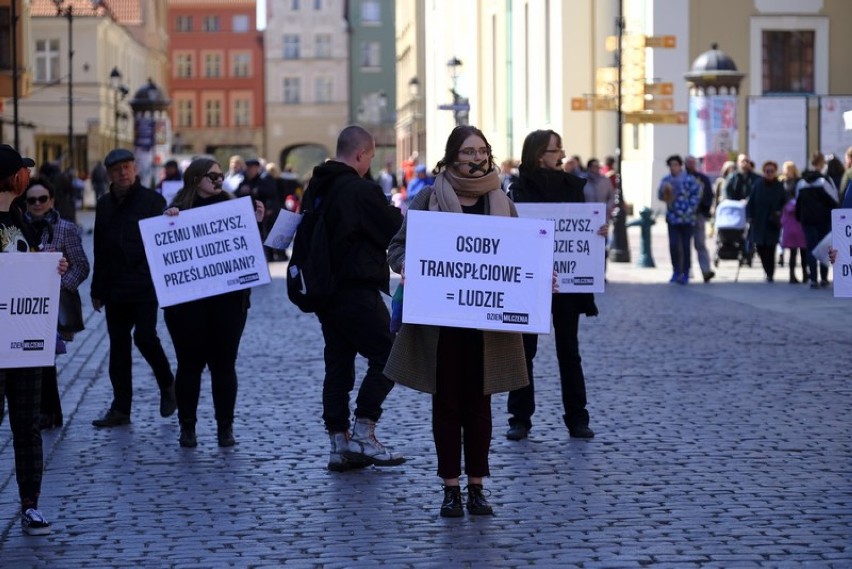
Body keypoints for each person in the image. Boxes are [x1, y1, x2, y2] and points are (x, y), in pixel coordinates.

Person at [384, 125, 529, 518]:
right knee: (447, 405)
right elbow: (397, 246)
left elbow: (520, 253)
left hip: (488, 324)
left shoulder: (501, 198)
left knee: (480, 407)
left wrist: (537, 277)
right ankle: (451, 488)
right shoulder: (429, 198)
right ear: (452, 155)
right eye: (467, 151)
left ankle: (478, 486)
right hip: (440, 322)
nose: (475, 157)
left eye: (481, 150)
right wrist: (406, 266)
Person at [301, 125, 405, 472]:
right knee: (391, 355)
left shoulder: (316, 188)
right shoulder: (360, 190)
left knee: (338, 365)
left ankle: (339, 442)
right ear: (361, 154)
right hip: (355, 288)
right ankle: (364, 431)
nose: (369, 163)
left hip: (324, 293)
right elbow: (394, 228)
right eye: (370, 156)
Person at [504, 129, 607, 445]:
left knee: (569, 350)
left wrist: (596, 232)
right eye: (556, 149)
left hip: (567, 282)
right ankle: (520, 419)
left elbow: (580, 228)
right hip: (531, 281)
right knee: (524, 350)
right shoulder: (518, 190)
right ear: (539, 155)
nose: (562, 154)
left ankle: (577, 418)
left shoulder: (573, 186)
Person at [162, 158, 265, 448]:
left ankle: (225, 428)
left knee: (224, 365)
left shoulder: (235, 207)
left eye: (221, 176)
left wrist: (257, 224)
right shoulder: (178, 211)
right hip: (187, 305)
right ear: (195, 179)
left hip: (229, 302)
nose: (220, 181)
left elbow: (251, 251)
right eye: (213, 176)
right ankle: (188, 428)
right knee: (189, 365)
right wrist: (168, 221)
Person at [0, 143, 69, 535]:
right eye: (23, 172)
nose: (28, 176)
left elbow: (29, 263)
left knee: (26, 426)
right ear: (12, 178)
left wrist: (51, 266)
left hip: (23, 340)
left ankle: (30, 504)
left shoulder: (19, 216)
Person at [90, 148, 176, 427]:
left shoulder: (153, 201)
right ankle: (121, 408)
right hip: (115, 287)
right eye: (117, 170)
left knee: (145, 337)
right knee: (118, 348)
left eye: (127, 167)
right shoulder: (103, 204)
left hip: (144, 285)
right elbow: (99, 248)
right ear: (109, 174)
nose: (123, 173)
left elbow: (167, 241)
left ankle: (167, 383)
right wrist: (97, 289)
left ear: (135, 169)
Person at [23, 176, 90, 429]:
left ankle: (48, 413)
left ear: (51, 200)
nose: (37, 204)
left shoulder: (65, 229)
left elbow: (81, 266)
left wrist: (58, 286)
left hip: (53, 307)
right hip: (25, 306)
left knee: (45, 357)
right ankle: (49, 412)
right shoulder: (19, 229)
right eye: (32, 200)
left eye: (42, 199)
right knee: (36, 358)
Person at [796, 153, 838, 288]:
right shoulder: (824, 181)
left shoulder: (801, 183)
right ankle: (824, 278)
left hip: (807, 221)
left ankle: (813, 278)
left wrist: (800, 218)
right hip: (823, 220)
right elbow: (834, 200)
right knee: (824, 248)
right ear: (822, 163)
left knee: (810, 249)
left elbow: (797, 203)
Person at [658, 155, 701, 284]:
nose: (673, 167)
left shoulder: (689, 179)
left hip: (687, 218)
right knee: (673, 245)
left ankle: (686, 272)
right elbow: (660, 196)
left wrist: (689, 209)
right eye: (671, 165)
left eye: (675, 165)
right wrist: (664, 192)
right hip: (672, 218)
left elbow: (697, 196)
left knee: (686, 246)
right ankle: (676, 270)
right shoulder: (666, 180)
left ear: (680, 166)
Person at [747, 161, 787, 282]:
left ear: (775, 172)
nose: (769, 173)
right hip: (758, 221)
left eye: (772, 171)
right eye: (767, 171)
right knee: (760, 247)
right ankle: (766, 269)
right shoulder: (758, 184)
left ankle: (770, 273)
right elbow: (751, 202)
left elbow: (785, 202)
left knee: (771, 248)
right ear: (764, 172)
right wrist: (749, 216)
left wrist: (780, 212)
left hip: (772, 221)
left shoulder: (779, 186)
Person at [684, 155, 716, 282]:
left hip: (698, 215)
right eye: (689, 163)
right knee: (685, 245)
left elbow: (708, 195)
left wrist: (704, 210)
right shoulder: (682, 178)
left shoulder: (702, 179)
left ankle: (706, 270)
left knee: (700, 244)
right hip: (684, 216)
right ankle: (686, 270)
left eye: (693, 163)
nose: (691, 165)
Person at [779, 180, 809, 284]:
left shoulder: (787, 206)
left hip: (790, 232)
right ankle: (805, 274)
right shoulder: (802, 204)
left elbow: (782, 220)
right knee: (803, 254)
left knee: (792, 254)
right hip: (801, 231)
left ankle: (792, 275)